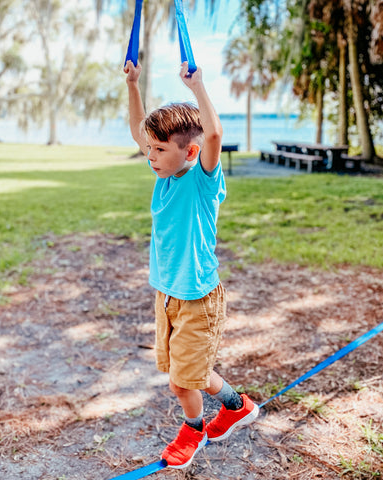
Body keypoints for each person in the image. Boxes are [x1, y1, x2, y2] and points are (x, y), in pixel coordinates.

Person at [123, 59, 259, 469]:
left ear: (191, 152)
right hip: (168, 296)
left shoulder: (201, 180)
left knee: (182, 381)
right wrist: (133, 84)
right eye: (150, 149)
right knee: (192, 371)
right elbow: (138, 130)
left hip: (198, 298)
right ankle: (236, 406)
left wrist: (197, 86)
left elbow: (214, 131)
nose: (150, 156)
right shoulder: (163, 176)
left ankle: (194, 429)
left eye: (159, 150)